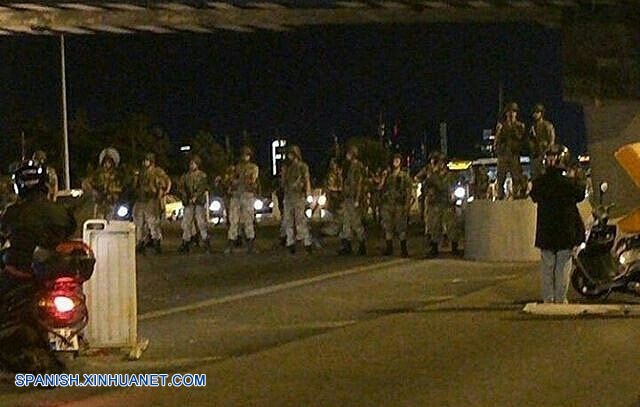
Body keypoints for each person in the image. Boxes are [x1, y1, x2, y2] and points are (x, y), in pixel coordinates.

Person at [0, 161, 76, 374]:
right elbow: (70, 228)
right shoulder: (59, 211)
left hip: (19, 275)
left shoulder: (13, 212)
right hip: (49, 277)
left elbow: (4, 232)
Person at [530, 144, 585, 304]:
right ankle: (560, 299)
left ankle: (548, 299)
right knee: (562, 267)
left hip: (546, 230)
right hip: (566, 230)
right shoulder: (568, 183)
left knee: (547, 267)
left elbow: (534, 196)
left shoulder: (540, 183)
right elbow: (580, 194)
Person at [133, 153, 171, 255]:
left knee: (153, 222)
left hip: (151, 200)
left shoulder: (157, 171)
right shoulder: (140, 172)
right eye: (144, 160)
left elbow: (166, 182)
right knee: (139, 223)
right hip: (140, 199)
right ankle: (140, 242)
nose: (145, 162)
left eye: (147, 160)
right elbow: (135, 186)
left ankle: (156, 242)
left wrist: (162, 191)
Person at [225, 147, 259, 255]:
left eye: (247, 155)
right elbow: (230, 181)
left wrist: (239, 179)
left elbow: (252, 180)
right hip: (236, 196)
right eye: (243, 154)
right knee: (233, 221)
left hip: (247, 195)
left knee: (248, 221)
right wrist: (231, 178)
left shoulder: (253, 167)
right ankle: (231, 244)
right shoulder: (236, 168)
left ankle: (251, 245)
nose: (245, 157)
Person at [416, 152, 450, 258]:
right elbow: (418, 177)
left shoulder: (444, 173)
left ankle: (442, 244)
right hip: (431, 200)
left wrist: (433, 177)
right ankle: (433, 245)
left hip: (441, 201)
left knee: (441, 224)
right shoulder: (429, 170)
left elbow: (442, 186)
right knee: (431, 224)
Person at [378, 153, 412, 257]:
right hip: (388, 204)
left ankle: (403, 249)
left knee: (401, 227)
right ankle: (389, 248)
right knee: (388, 226)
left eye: (398, 160)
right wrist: (383, 177)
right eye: (394, 160)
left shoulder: (404, 176)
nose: (395, 162)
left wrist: (407, 205)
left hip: (399, 205)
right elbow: (380, 187)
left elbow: (408, 190)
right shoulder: (388, 175)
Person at [283, 145, 312, 254]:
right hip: (288, 196)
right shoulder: (287, 167)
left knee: (301, 220)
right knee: (288, 220)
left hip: (298, 196)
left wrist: (308, 194)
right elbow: (283, 182)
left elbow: (306, 180)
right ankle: (290, 243)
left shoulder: (302, 166)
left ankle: (307, 242)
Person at [177, 155, 210, 254]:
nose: (192, 165)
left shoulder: (202, 176)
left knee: (201, 223)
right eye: (191, 164)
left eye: (194, 164)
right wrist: (185, 196)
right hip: (189, 203)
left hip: (199, 202)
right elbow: (181, 187)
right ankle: (186, 241)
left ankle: (205, 241)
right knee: (186, 223)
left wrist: (195, 197)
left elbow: (202, 187)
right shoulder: (186, 176)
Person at [338, 145, 366, 256]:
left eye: (349, 153)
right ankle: (346, 244)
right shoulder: (348, 166)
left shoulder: (357, 166)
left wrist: (358, 199)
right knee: (346, 221)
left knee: (355, 221)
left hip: (353, 197)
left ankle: (362, 243)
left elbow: (359, 183)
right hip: (347, 196)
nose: (347, 155)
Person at [82, 147, 123, 220]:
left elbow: (120, 187)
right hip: (100, 201)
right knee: (99, 222)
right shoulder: (98, 174)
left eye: (109, 162)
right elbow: (87, 182)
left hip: (111, 202)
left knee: (111, 222)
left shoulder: (117, 175)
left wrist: (113, 191)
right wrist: (93, 191)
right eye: (106, 162)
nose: (107, 164)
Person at [494, 103, 525, 199]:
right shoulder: (501, 126)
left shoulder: (520, 125)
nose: (511, 114)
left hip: (514, 154)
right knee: (500, 178)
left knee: (516, 177)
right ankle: (500, 197)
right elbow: (497, 140)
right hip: (503, 154)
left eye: (513, 111)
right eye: (509, 111)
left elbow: (521, 138)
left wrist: (513, 128)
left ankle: (516, 195)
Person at [528, 103, 556, 181]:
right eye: (534, 113)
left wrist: (546, 152)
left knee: (545, 177)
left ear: (541, 113)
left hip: (544, 154)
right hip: (535, 155)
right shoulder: (533, 127)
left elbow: (551, 140)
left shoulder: (547, 125)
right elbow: (530, 141)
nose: (535, 115)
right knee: (535, 177)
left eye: (537, 112)